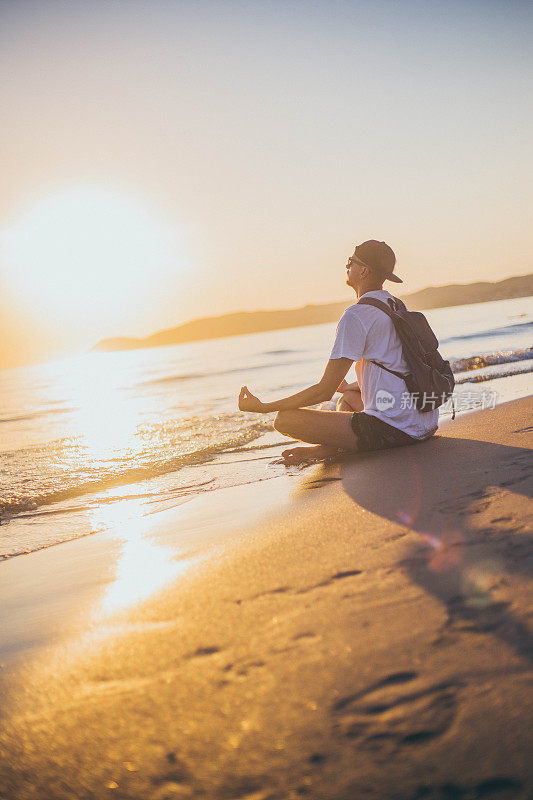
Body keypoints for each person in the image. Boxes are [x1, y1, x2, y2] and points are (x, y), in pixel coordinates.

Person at [238, 240, 439, 465]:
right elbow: (399, 368)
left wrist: (263, 407)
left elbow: (323, 391)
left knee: (285, 420)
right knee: (349, 398)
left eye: (351, 262)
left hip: (395, 430)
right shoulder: (396, 306)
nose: (347, 266)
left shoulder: (357, 315)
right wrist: (350, 386)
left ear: (364, 271)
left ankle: (329, 450)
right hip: (425, 422)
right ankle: (329, 448)